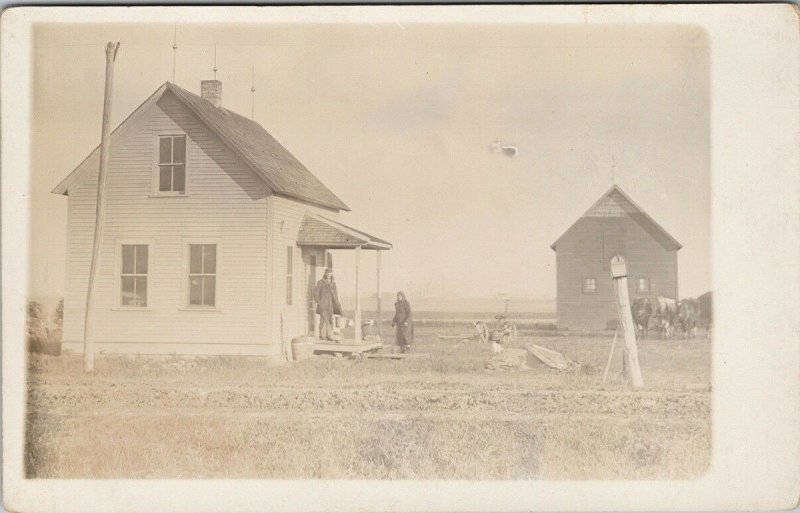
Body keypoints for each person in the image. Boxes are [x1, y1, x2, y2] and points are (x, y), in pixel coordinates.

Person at [313, 268, 341, 341]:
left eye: (330, 273)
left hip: (330, 305)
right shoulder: (320, 282)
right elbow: (315, 294)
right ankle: (322, 336)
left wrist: (337, 304)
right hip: (323, 305)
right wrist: (319, 302)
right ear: (325, 274)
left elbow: (335, 294)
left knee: (330, 320)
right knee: (323, 320)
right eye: (328, 273)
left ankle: (329, 335)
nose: (329, 275)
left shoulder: (333, 283)